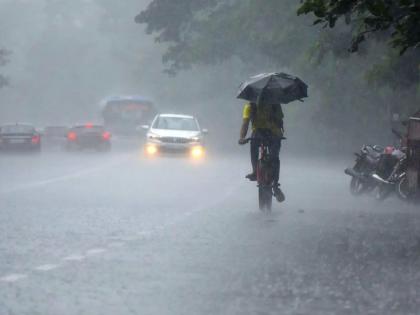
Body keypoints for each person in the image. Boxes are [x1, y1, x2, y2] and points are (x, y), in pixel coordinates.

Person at [238, 102, 285, 202]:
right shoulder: (250, 107)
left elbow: (280, 121)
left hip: (273, 133)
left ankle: (275, 185)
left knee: (274, 156)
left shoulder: (274, 105)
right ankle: (256, 171)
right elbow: (245, 123)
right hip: (261, 133)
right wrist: (242, 137)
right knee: (258, 147)